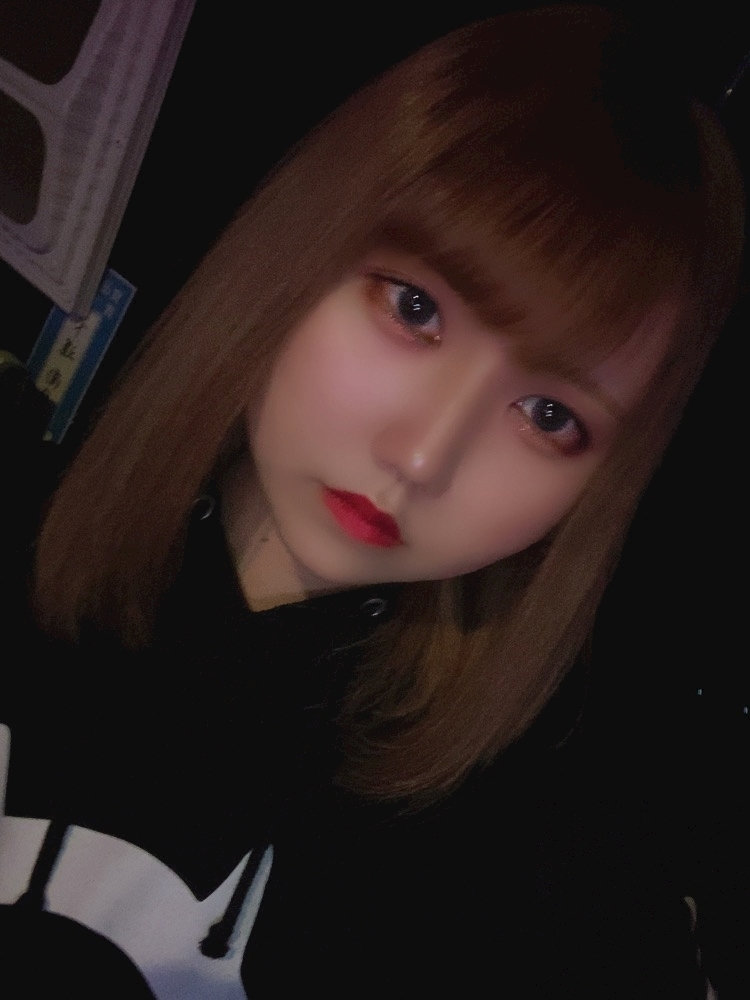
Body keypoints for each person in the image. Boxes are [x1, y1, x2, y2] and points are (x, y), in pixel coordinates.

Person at [0, 6, 743, 998]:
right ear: (300, 250)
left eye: (549, 415)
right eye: (415, 308)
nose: (424, 456)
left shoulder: (530, 848)